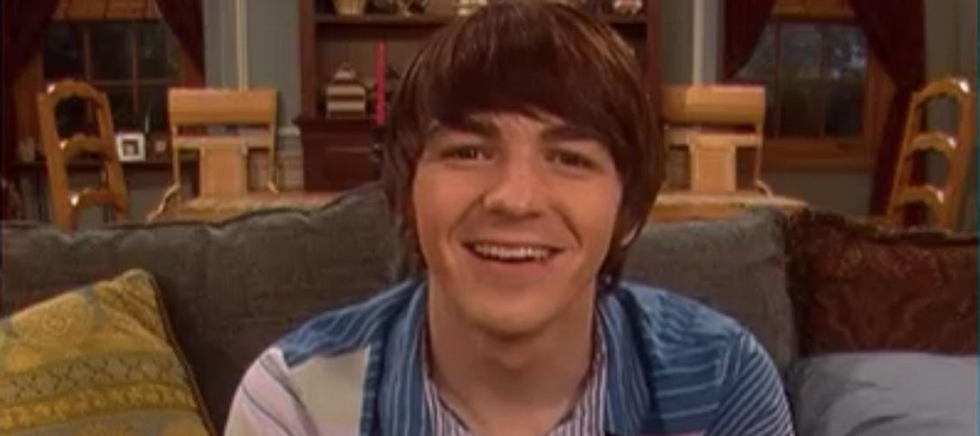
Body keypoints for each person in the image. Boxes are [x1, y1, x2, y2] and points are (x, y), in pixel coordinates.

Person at [224, 2, 794, 435]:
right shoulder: (296, 403)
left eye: (570, 159)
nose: (515, 199)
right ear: (405, 193)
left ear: (628, 212)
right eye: (469, 151)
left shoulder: (722, 383)